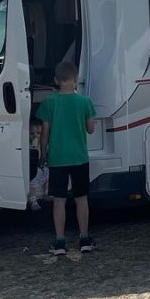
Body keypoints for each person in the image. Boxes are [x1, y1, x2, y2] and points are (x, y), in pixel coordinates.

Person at [37, 60, 97, 255]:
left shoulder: (49, 102)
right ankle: (85, 239)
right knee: (81, 198)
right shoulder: (85, 102)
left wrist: (43, 153)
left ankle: (60, 242)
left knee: (59, 201)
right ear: (75, 79)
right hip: (79, 157)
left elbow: (44, 132)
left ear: (56, 80)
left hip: (57, 158)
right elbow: (90, 130)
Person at [27, 118, 48, 211]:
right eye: (32, 133)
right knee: (32, 180)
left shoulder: (44, 145)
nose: (35, 136)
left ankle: (47, 193)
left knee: (51, 173)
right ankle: (33, 199)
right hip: (32, 171)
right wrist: (33, 146)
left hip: (42, 169)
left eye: (38, 133)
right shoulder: (28, 146)